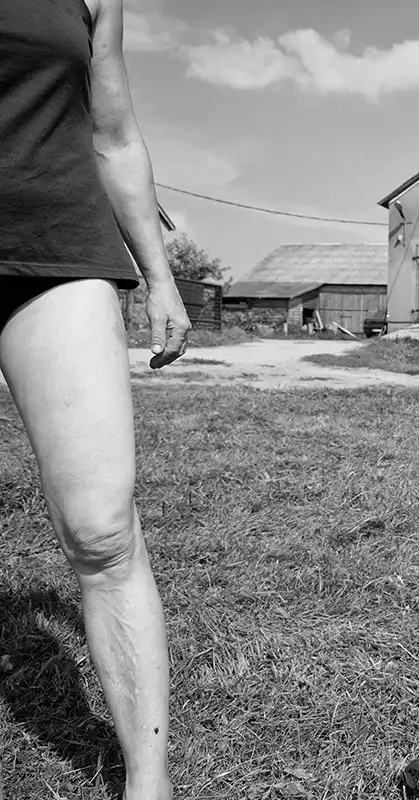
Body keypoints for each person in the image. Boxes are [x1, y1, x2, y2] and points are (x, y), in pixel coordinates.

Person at [1, 0, 190, 797]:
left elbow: (112, 133)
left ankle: (149, 787)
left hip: (57, 249)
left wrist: (159, 274)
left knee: (103, 532)